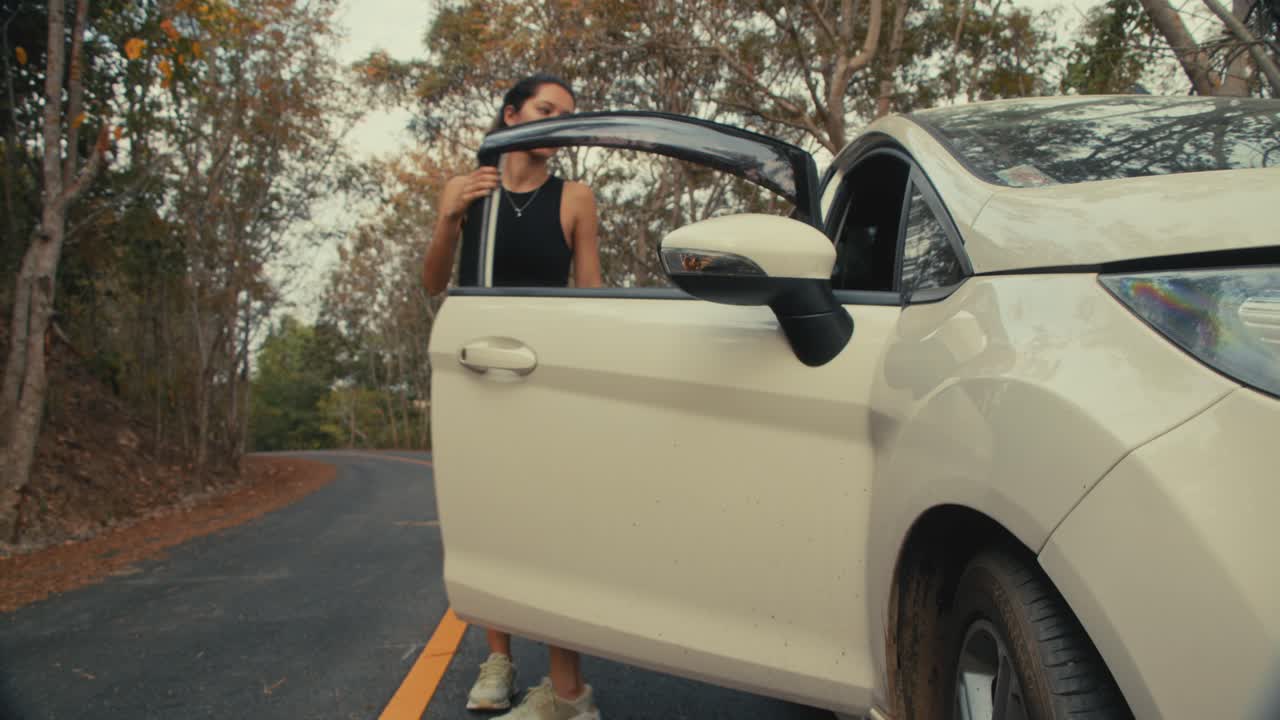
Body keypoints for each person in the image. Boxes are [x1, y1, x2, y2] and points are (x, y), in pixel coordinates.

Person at [421, 73, 604, 720]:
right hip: (477, 370)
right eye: (544, 111)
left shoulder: (575, 197)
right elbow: (436, 282)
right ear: (512, 116)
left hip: (545, 374)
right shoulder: (470, 189)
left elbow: (590, 298)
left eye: (564, 118)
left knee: (551, 526)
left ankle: (567, 689)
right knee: (485, 520)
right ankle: (497, 658)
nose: (554, 126)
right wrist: (448, 217)